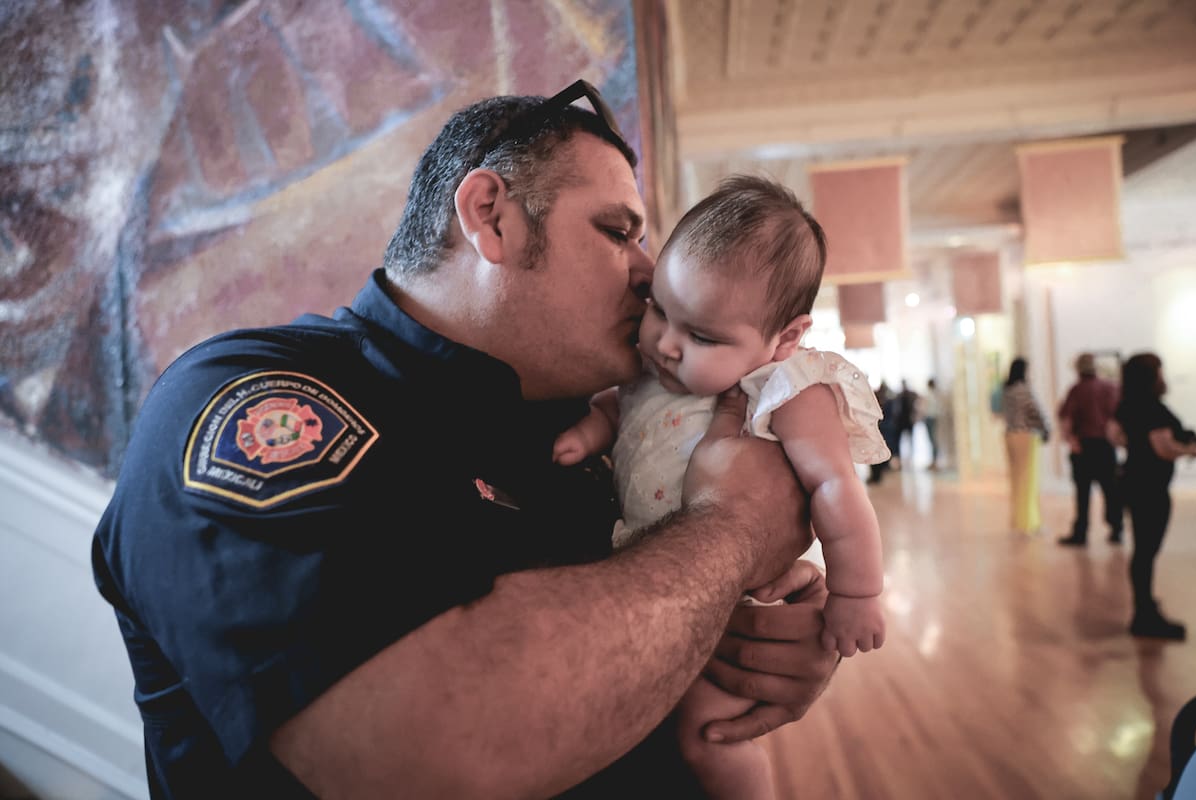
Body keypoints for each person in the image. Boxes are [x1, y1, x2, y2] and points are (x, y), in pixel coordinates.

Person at [89, 80, 840, 798]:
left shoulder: (589, 416)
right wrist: (732, 531)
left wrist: (753, 643)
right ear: (492, 215)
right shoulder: (244, 397)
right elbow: (424, 756)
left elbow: (652, 612)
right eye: (618, 231)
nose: (651, 272)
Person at [553, 175, 890, 800]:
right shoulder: (651, 370)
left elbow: (837, 488)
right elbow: (616, 408)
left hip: (734, 598)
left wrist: (857, 591)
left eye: (703, 336)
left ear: (785, 338)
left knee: (709, 735)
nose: (669, 344)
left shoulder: (784, 388)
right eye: (659, 308)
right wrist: (589, 432)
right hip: (646, 578)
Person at [1109, 352, 1196, 640]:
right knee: (1146, 551)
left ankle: (1144, 608)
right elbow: (1162, 448)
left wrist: (1136, 447)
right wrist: (1190, 451)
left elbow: (1115, 435)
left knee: (1143, 552)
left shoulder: (1127, 405)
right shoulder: (1152, 408)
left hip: (1133, 481)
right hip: (1151, 487)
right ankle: (1144, 613)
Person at [1057, 352, 1123, 546]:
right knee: (1111, 490)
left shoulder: (1077, 390)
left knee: (1083, 493)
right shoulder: (1109, 388)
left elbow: (1066, 419)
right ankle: (1116, 528)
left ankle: (1081, 532)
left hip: (1085, 446)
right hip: (1105, 446)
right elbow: (1117, 417)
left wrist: (1070, 440)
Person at [1001, 357, 1050, 535]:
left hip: (1010, 435)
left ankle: (1020, 521)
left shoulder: (1006, 390)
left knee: (1016, 480)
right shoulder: (1023, 390)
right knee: (1028, 481)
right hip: (1025, 436)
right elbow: (1034, 412)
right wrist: (1046, 430)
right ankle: (1028, 523)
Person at [869, 381, 898, 484]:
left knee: (879, 450)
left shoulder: (886, 401)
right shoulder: (885, 401)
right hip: (880, 428)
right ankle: (876, 474)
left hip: (882, 428)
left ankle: (877, 474)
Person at [922, 377, 946, 471]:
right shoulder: (936, 395)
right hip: (934, 418)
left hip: (930, 418)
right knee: (933, 440)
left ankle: (934, 461)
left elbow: (925, 408)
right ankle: (934, 461)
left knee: (932, 440)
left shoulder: (929, 395)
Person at [895, 379, 920, 466]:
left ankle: (910, 456)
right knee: (900, 440)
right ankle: (900, 458)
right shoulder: (900, 395)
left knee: (910, 439)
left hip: (908, 421)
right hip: (902, 421)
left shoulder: (910, 394)